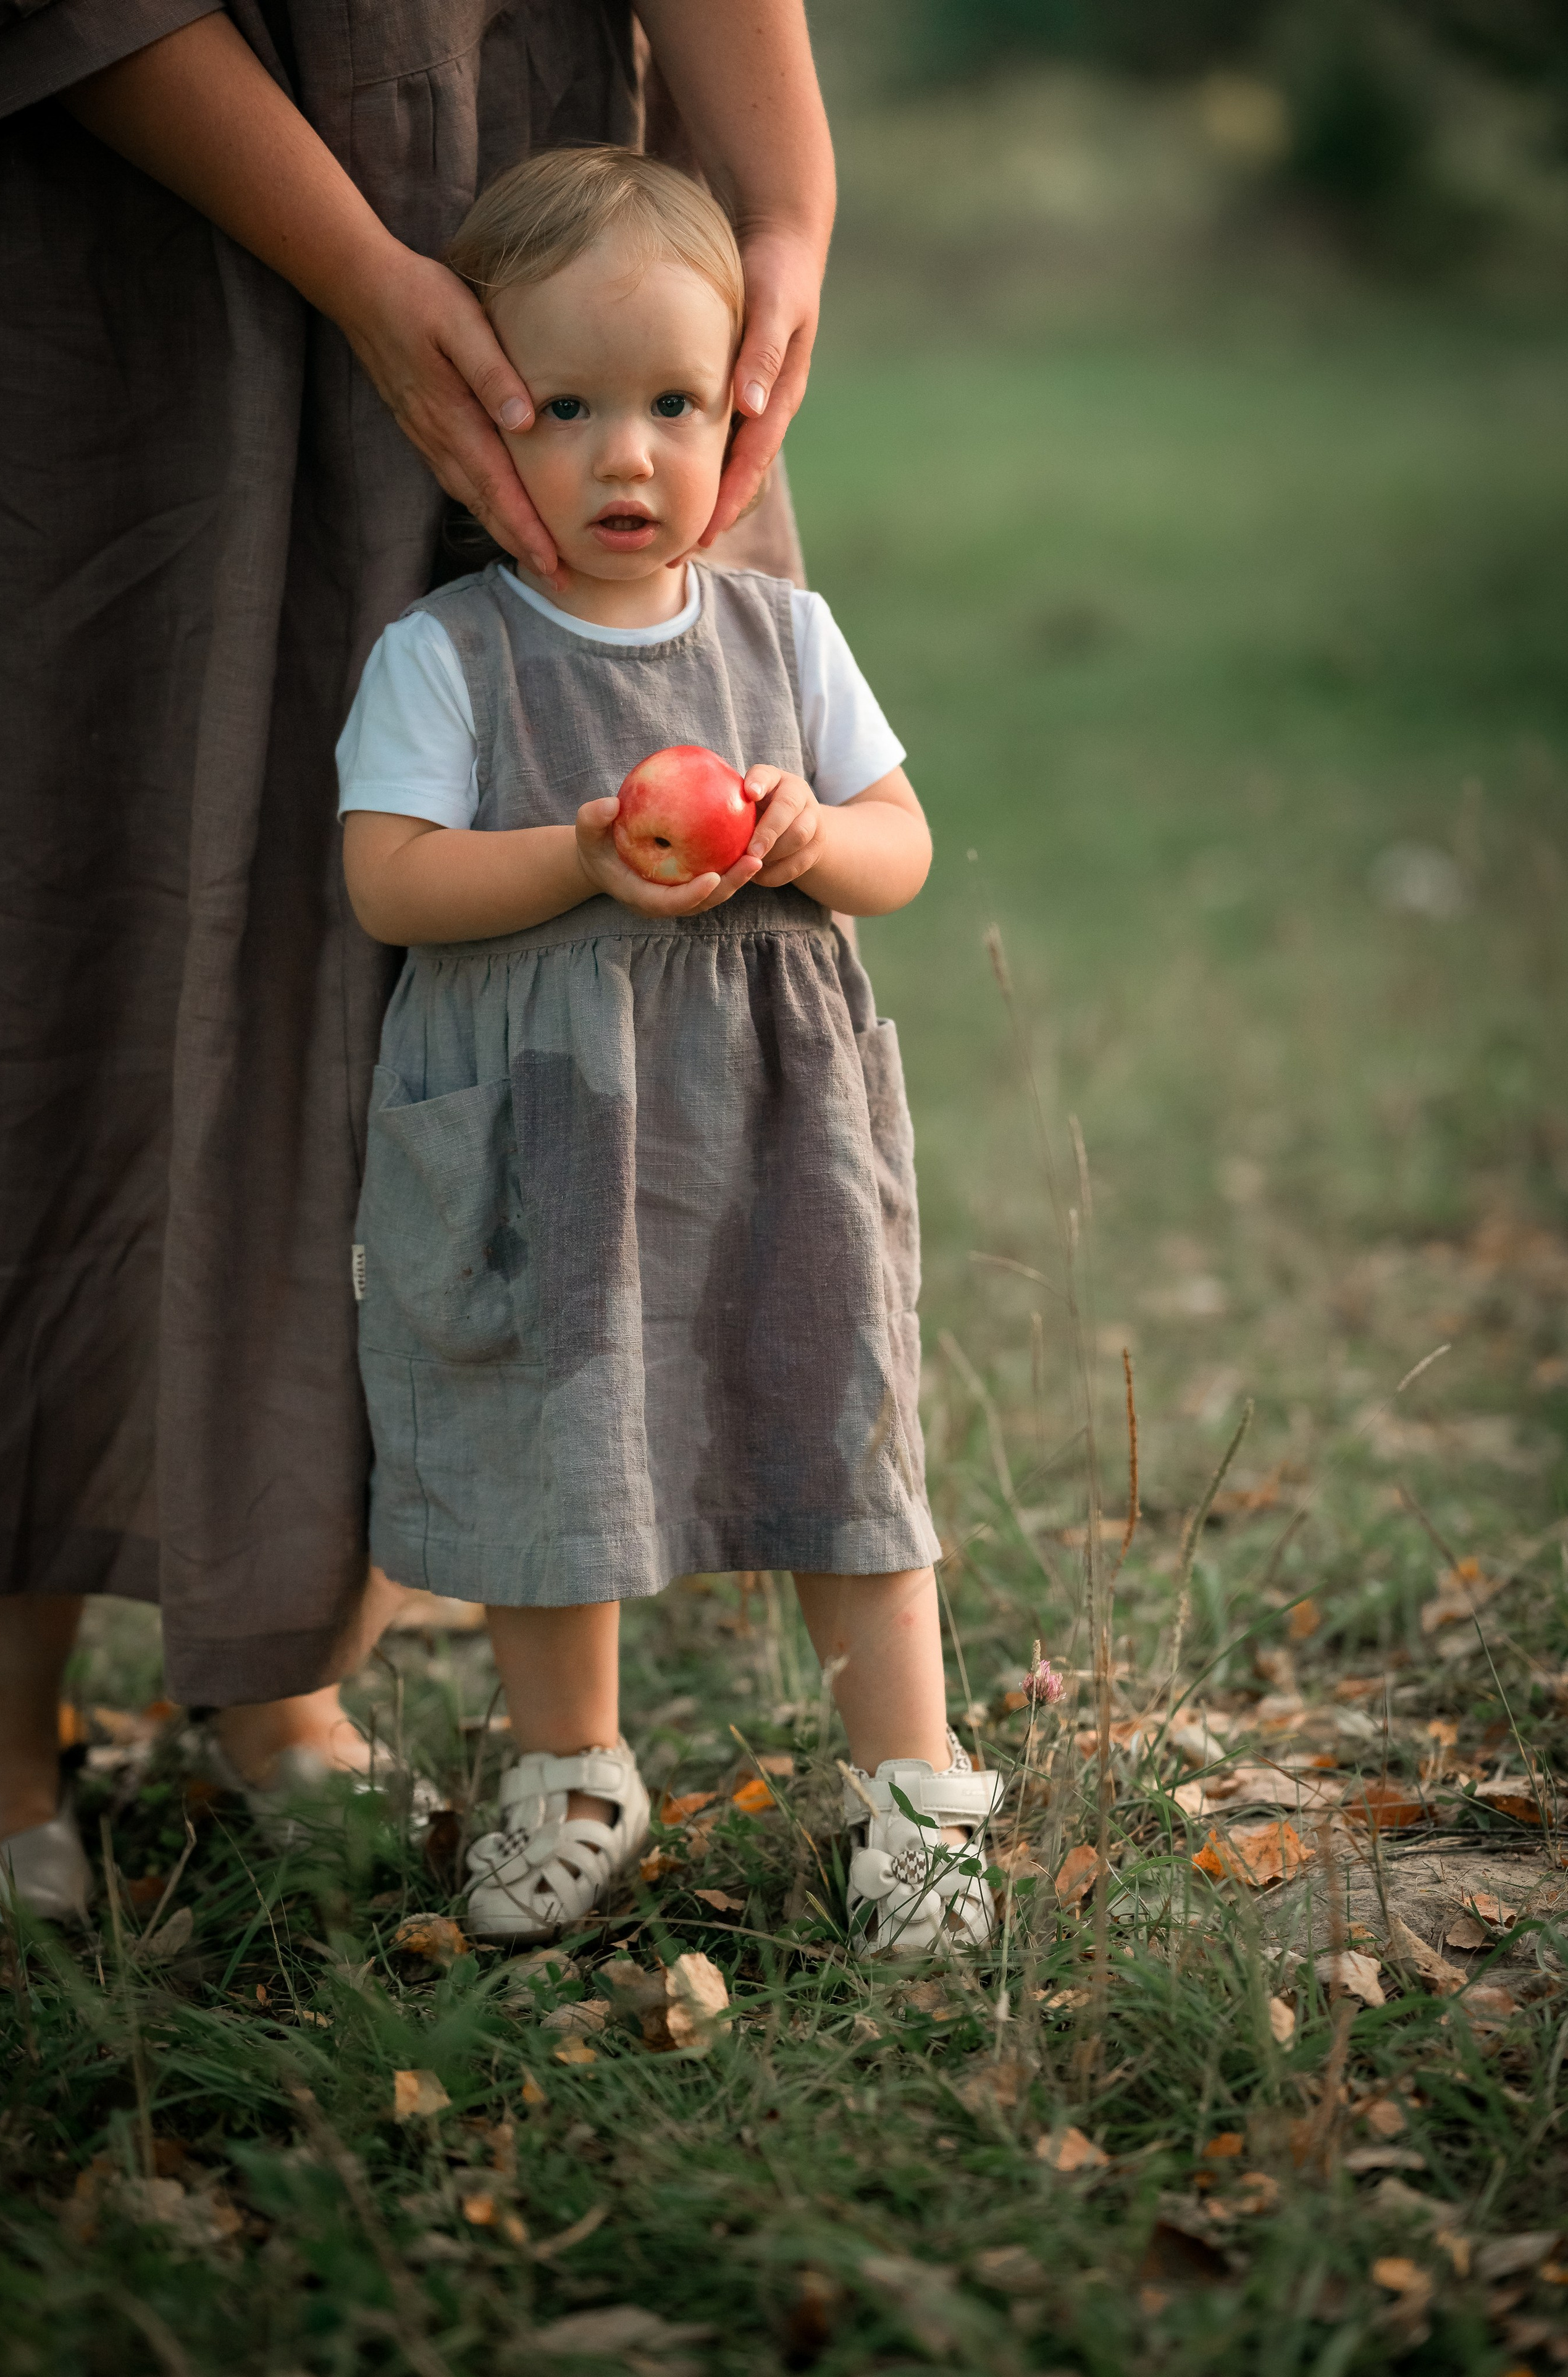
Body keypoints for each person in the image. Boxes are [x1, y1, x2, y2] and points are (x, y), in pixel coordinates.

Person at [0, 1, 832, 1922]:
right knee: (86, 928)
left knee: (467, 1063)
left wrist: (782, 209)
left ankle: (281, 1659)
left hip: (547, 264)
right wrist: (361, 269)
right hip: (142, 266)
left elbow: (888, 836)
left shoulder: (632, 440)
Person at [340, 147, 1003, 1958]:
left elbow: (906, 845)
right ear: (477, 419)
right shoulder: (448, 655)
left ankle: (914, 1790)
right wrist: (570, 853)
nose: (626, 455)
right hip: (545, 1142)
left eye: (673, 405)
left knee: (841, 1424)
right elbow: (388, 881)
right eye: (564, 406)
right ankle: (569, 1771)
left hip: (772, 1129)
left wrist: (804, 836)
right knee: (561, 1448)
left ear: (738, 413)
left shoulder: (785, 637)